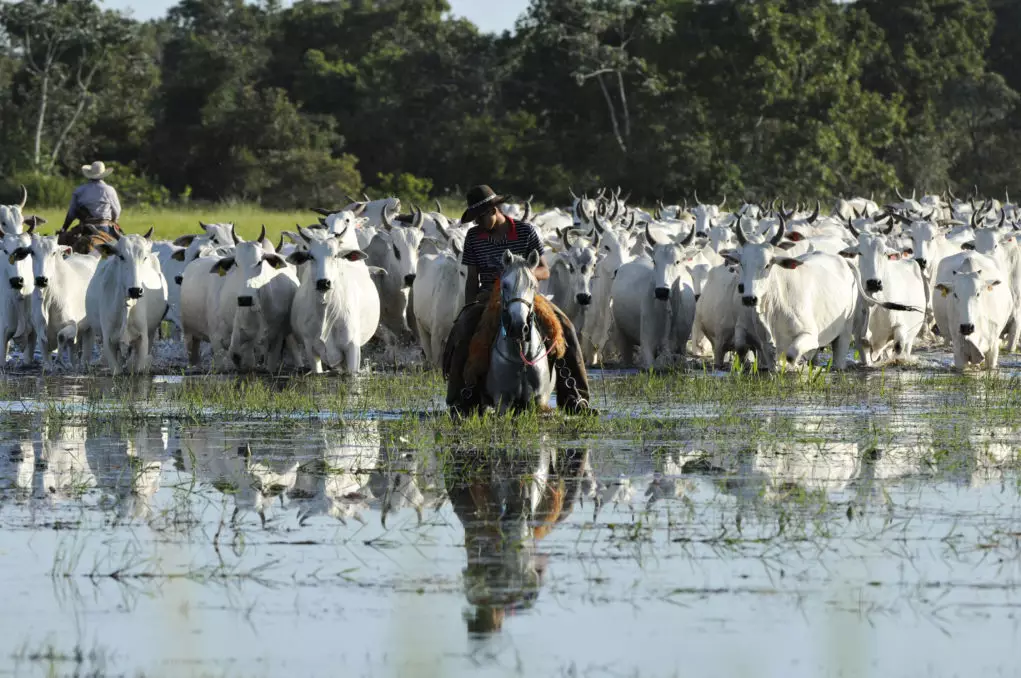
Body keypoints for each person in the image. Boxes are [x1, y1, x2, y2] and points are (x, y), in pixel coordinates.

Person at [443, 185, 593, 415]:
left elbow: (545, 269)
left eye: (480, 218)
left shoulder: (525, 231)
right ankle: (461, 395)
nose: (477, 224)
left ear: (493, 210)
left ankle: (576, 397)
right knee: (463, 330)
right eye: (474, 219)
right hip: (488, 296)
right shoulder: (473, 237)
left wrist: (526, 275)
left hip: (525, 294)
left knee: (565, 327)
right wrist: (469, 307)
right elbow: (472, 278)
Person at [61, 161, 122, 234]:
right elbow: (117, 211)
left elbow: (71, 213)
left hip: (85, 229)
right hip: (105, 227)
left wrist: (64, 228)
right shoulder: (110, 190)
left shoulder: (79, 190)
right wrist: (114, 222)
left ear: (90, 174)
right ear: (104, 175)